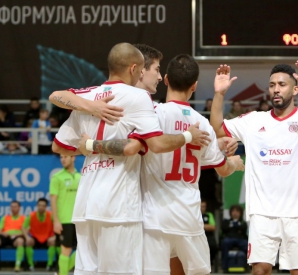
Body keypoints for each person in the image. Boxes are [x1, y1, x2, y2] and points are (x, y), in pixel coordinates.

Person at [76, 54, 244, 275]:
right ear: (194, 86)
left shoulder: (152, 114)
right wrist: (234, 162)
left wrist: (90, 144)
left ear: (165, 80)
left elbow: (129, 147)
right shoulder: (202, 123)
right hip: (188, 217)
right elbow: (222, 169)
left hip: (153, 218)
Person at [50, 43, 210, 275]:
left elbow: (58, 144)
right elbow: (147, 145)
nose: (155, 74)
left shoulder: (87, 97)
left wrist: (89, 141)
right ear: (135, 69)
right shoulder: (138, 97)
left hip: (86, 204)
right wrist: (187, 135)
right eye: (152, 68)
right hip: (119, 204)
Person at [210, 61, 298, 275]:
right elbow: (217, 128)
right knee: (260, 271)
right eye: (271, 85)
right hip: (262, 213)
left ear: (295, 89)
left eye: (282, 84)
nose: (276, 89)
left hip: (297, 213)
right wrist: (219, 94)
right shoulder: (253, 120)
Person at [50, 155, 80, 275]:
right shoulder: (57, 177)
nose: (63, 159)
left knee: (82, 251)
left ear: (73, 158)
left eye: (65, 157)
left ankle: (60, 272)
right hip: (64, 220)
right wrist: (56, 220)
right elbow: (53, 200)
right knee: (66, 250)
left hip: (79, 220)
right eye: (61, 157)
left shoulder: (80, 177)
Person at [22, 198, 56, 271]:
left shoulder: (51, 215)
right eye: (39, 205)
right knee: (28, 242)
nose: (41, 207)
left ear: (46, 207)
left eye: (43, 205)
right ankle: (30, 265)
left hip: (48, 237)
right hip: (35, 237)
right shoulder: (31, 215)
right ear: (37, 206)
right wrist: (27, 237)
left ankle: (49, 265)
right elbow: (24, 227)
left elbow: (57, 225)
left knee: (53, 242)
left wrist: (55, 237)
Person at [221, 204, 248, 272]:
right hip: (229, 239)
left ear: (240, 213)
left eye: (237, 211)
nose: (235, 213)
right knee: (225, 243)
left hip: (240, 239)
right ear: (230, 212)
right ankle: (225, 266)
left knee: (246, 245)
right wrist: (236, 228)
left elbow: (243, 228)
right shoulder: (226, 221)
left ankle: (246, 266)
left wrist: (233, 227)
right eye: (233, 211)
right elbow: (224, 228)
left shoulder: (243, 222)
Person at [0, 201, 25, 272]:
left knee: (20, 241)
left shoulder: (23, 218)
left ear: (19, 208)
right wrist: (3, 233)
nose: (13, 208)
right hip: (5, 236)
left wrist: (17, 234)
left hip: (17, 237)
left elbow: (25, 232)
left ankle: (17, 265)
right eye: (12, 207)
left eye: (15, 207)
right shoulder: (5, 218)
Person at [201, 199, 218, 265]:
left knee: (213, 246)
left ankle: (211, 261)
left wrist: (199, 225)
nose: (202, 208)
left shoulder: (209, 215)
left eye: (204, 206)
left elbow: (213, 227)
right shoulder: (194, 215)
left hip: (208, 235)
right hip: (197, 235)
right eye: (201, 206)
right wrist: (206, 226)